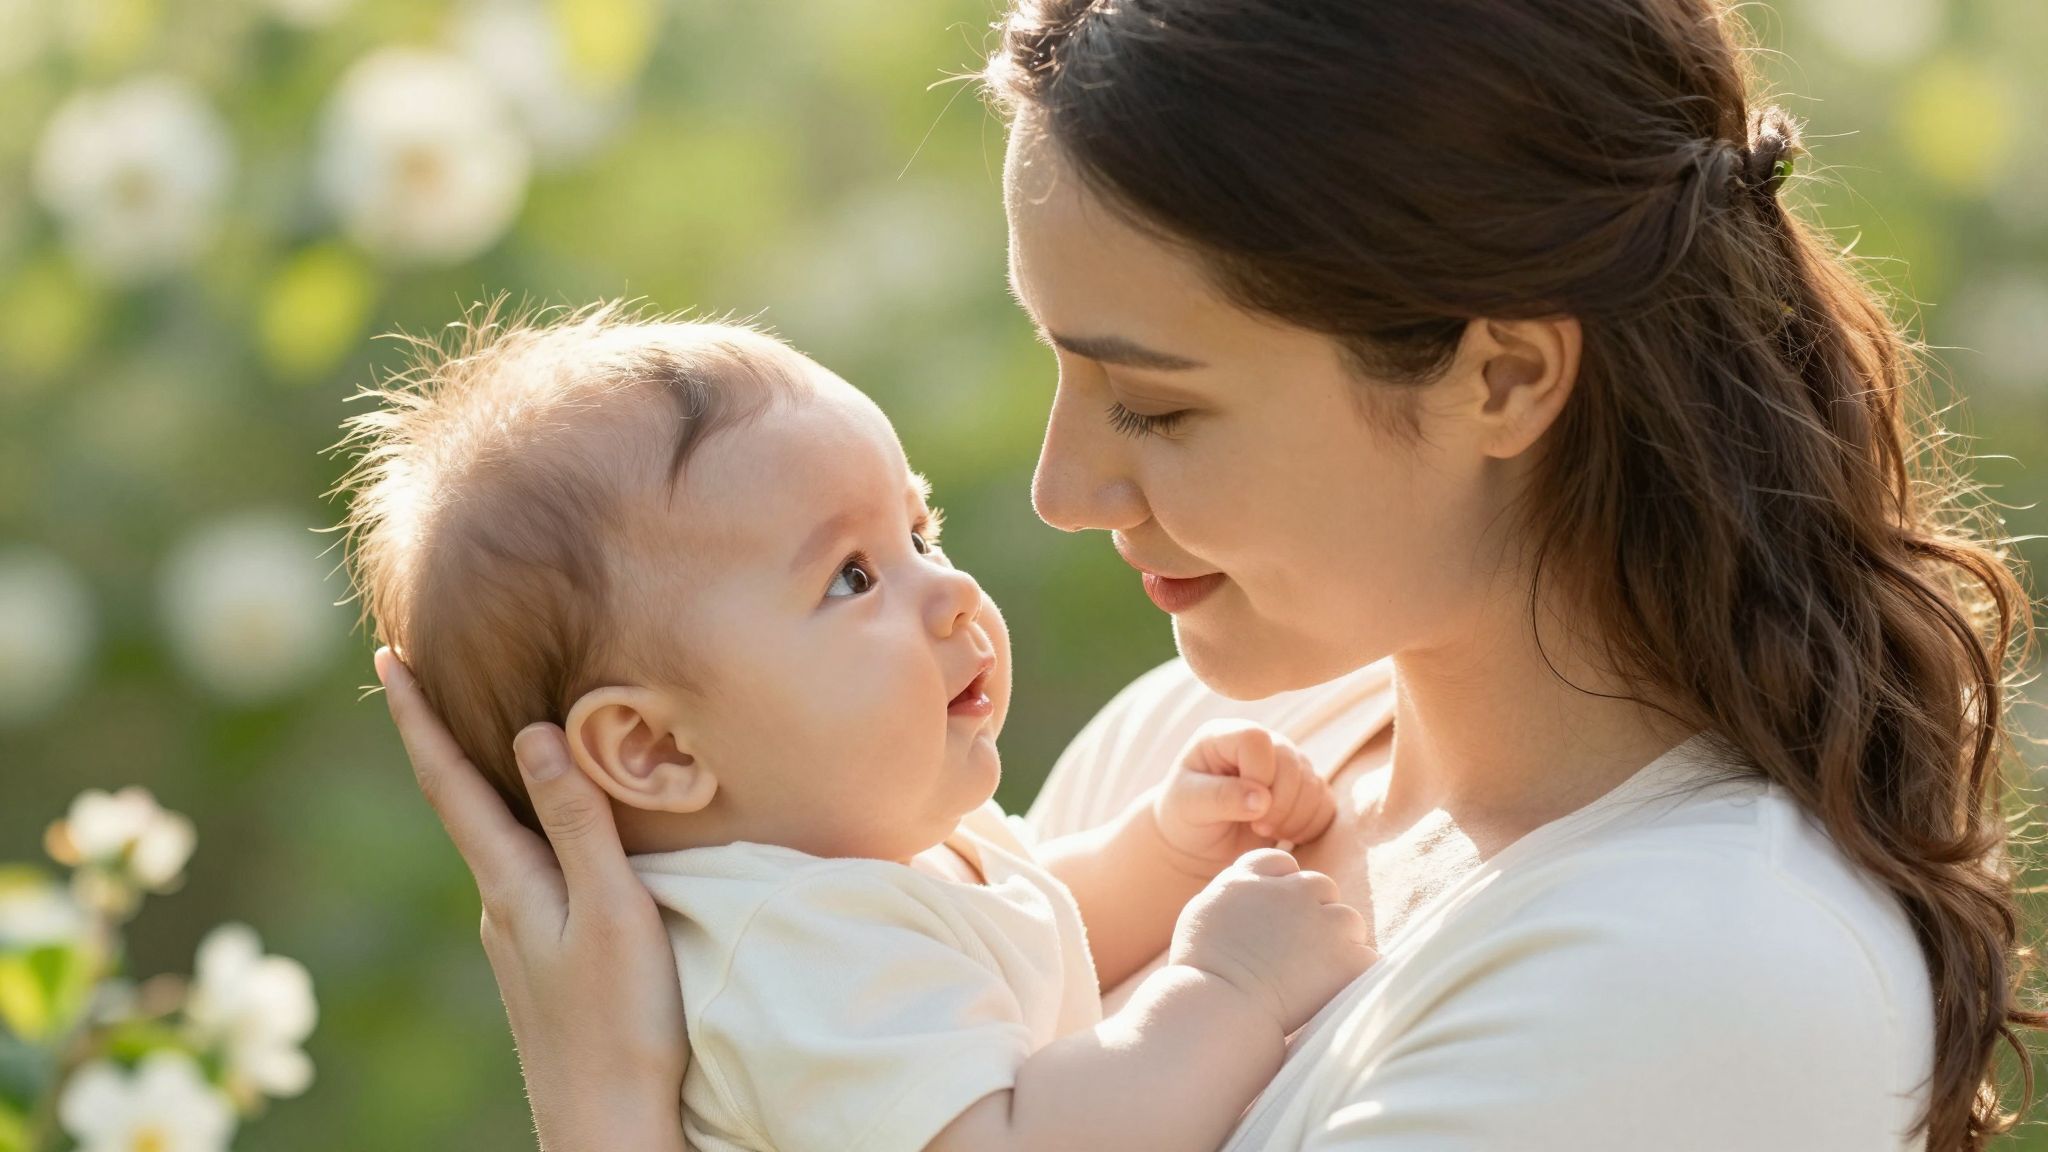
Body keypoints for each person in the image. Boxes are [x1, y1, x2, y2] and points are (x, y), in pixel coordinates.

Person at [376, 0, 2043, 1149]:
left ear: (1504, 376)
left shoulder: (1692, 969)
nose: (1059, 487)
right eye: (1055, 370)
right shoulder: (1215, 746)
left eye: (1156, 402)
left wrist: (605, 1102)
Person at [340, 309, 1372, 1151]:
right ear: (657, 750)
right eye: (851, 576)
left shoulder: (852, 870)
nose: (955, 590)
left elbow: (1030, 943)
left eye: (919, 533)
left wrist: (1167, 849)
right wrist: (1226, 986)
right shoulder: (784, 959)